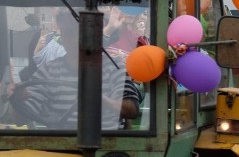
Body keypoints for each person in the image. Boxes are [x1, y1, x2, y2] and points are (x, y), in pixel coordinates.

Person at [6, 9, 141, 129]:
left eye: (81, 33)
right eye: (68, 33)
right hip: (59, 150)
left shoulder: (113, 67)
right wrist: (19, 98)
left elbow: (132, 109)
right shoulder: (49, 70)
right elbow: (20, 120)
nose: (74, 40)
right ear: (61, 35)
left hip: (105, 149)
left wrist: (102, 101)